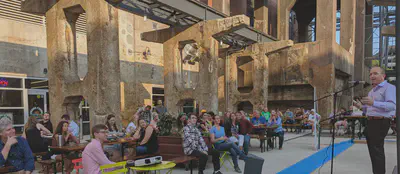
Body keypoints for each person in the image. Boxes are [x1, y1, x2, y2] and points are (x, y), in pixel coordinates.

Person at [354, 66, 396, 174]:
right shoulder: (372, 91)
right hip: (371, 122)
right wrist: (361, 107)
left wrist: (374, 103)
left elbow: (392, 106)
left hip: (380, 122)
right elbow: (370, 109)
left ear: (383, 76)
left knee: (377, 152)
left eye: (375, 73)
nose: (372, 76)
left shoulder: (389, 87)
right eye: (370, 74)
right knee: (373, 153)